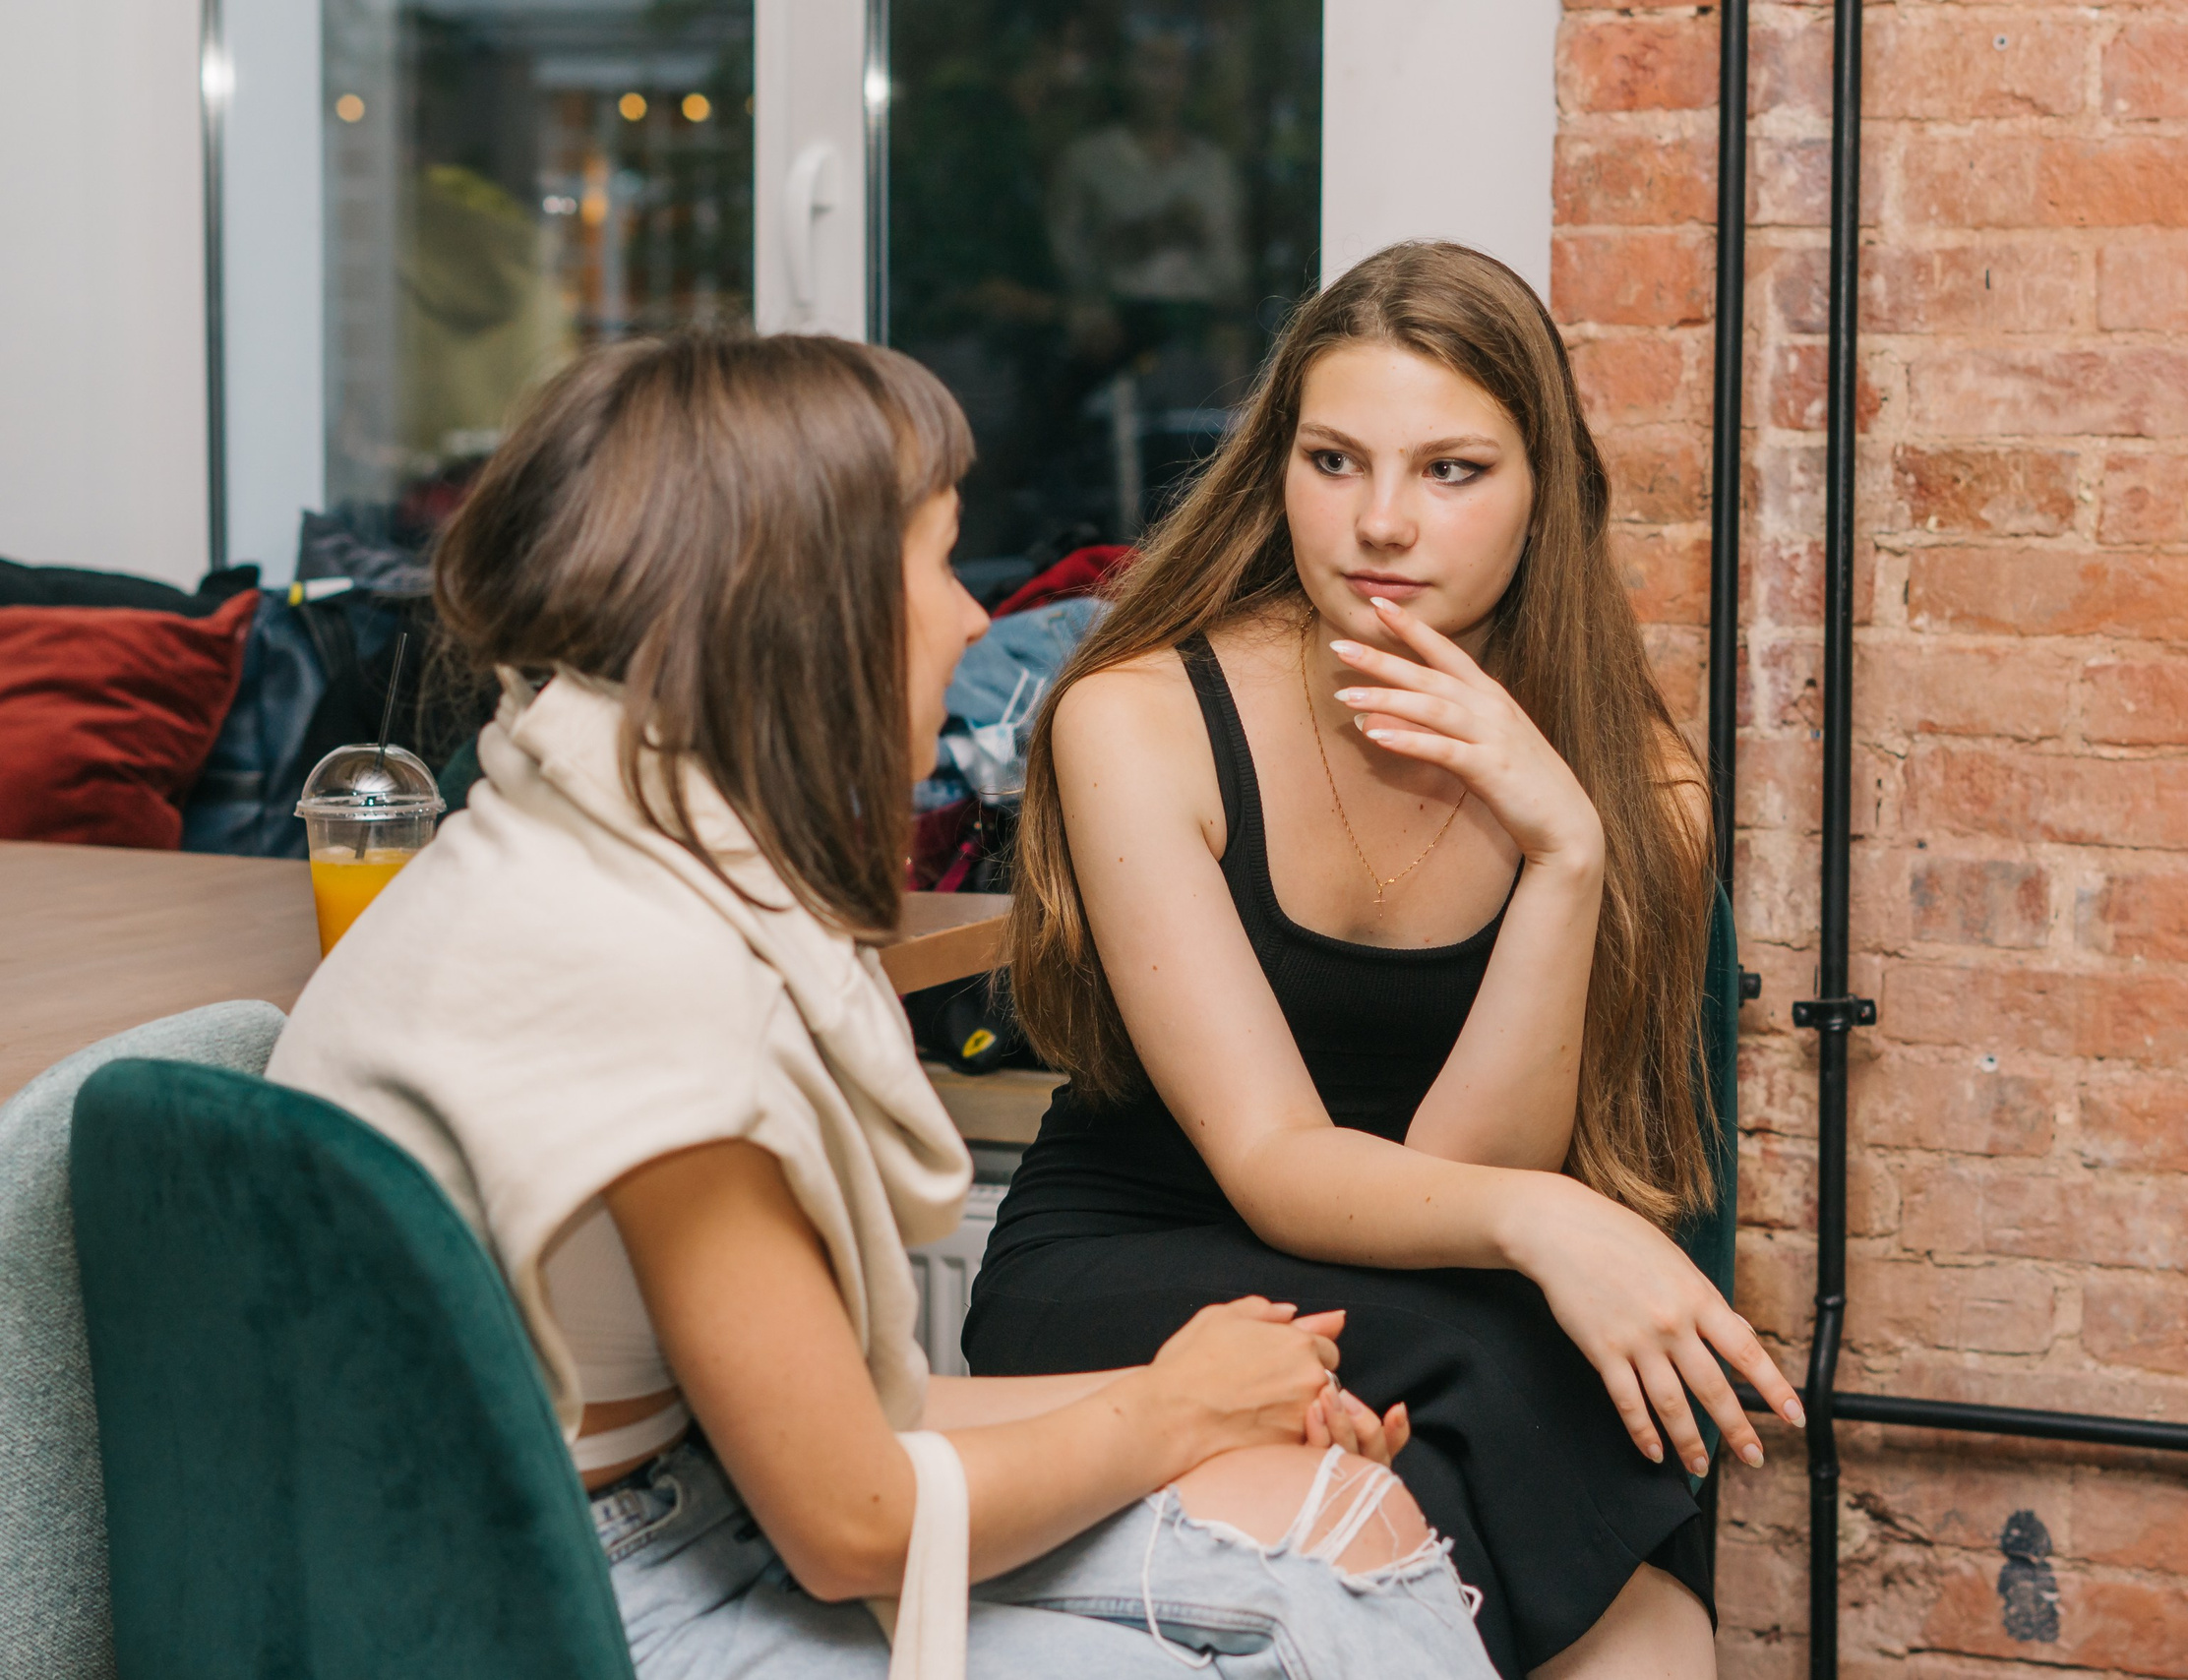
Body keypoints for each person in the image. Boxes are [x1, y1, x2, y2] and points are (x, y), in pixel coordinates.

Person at [268, 332, 1497, 1680]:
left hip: (643, 1509)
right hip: (585, 1600)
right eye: (936, 562)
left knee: (1342, 1510)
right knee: (1342, 1600)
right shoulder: (640, 973)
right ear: (808, 610)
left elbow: (824, 1417)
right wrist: (1164, 1410)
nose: (976, 619)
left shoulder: (566, 836)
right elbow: (850, 1523)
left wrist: (1220, 1403)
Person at [968, 242, 1803, 1679]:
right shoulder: (1142, 718)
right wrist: (1555, 1227)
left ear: (1546, 492)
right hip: (1135, 1253)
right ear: (1273, 469)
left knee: (1543, 1444)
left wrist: (1564, 854)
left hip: (1421, 1288)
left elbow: (1470, 1157)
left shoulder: (1636, 785)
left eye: (1453, 471)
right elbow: (1277, 1158)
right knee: (1543, 1395)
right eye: (1335, 461)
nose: (1382, 526)